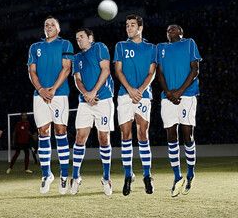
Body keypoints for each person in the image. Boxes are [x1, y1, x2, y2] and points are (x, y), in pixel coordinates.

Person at [27, 16, 74, 194]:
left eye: (52, 24)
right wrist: (40, 89)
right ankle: (46, 175)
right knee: (43, 133)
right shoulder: (35, 47)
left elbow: (67, 68)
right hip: (39, 95)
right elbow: (31, 71)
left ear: (59, 29)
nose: (49, 27)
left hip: (59, 94)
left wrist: (52, 89)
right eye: (46, 25)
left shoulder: (65, 44)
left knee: (60, 131)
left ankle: (63, 175)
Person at [157, 24, 202, 197]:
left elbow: (195, 70)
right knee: (171, 135)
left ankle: (190, 173)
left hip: (187, 95)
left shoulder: (189, 43)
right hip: (167, 97)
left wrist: (179, 91)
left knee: (187, 135)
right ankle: (177, 177)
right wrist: (168, 92)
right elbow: (159, 73)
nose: (170, 31)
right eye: (168, 29)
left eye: (174, 29)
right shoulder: (161, 48)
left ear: (181, 32)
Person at [114, 14, 156, 196]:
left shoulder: (151, 48)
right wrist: (131, 90)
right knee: (125, 135)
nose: (128, 28)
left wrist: (139, 90)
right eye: (127, 25)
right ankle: (127, 176)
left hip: (144, 96)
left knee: (143, 134)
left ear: (140, 27)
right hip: (125, 95)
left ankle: (147, 175)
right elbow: (118, 70)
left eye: (132, 25)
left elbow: (152, 72)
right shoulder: (121, 46)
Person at [70, 28, 114, 196]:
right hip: (85, 102)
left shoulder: (100, 47)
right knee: (80, 138)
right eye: (76, 37)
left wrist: (93, 92)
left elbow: (106, 70)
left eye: (81, 36)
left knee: (104, 138)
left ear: (90, 37)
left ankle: (106, 177)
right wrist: (86, 95)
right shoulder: (76, 57)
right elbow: (77, 79)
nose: (78, 40)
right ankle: (75, 177)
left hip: (103, 100)